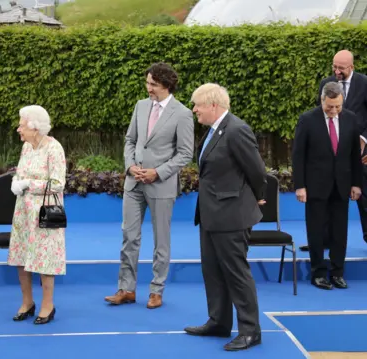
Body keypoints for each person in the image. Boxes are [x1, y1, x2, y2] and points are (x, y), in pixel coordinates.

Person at [104, 62, 194, 309]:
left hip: (161, 185)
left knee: (161, 241)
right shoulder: (141, 106)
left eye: (153, 84)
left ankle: (157, 290)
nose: (148, 88)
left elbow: (185, 153)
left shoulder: (183, 113)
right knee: (129, 236)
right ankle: (126, 288)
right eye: (147, 83)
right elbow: (130, 140)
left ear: (166, 85)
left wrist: (158, 172)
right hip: (133, 184)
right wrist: (130, 166)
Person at [184, 83, 265, 351]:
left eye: (197, 104)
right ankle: (219, 321)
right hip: (210, 214)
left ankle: (250, 331)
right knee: (213, 270)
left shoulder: (236, 130)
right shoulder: (212, 131)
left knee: (236, 273)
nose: (194, 109)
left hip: (231, 216)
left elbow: (256, 171)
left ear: (213, 105)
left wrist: (254, 198)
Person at [292, 81, 362, 290]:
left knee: (340, 231)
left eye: (337, 107)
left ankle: (338, 272)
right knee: (316, 230)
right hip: (315, 185)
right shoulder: (307, 119)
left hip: (342, 185)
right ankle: (318, 273)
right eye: (329, 106)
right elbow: (298, 155)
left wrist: (357, 184)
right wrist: (300, 186)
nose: (333, 111)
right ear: (322, 100)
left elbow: (354, 156)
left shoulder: (351, 119)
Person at [7, 105, 67, 325]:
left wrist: (28, 183)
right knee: (21, 256)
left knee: (44, 258)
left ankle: (47, 305)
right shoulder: (26, 147)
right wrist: (16, 181)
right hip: (23, 210)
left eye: (21, 125)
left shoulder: (54, 148)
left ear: (34, 127)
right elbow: (22, 172)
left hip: (45, 212)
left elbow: (58, 183)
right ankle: (27, 302)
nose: (18, 129)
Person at [313, 50, 367, 249]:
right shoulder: (326, 84)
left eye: (341, 68)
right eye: (334, 66)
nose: (337, 71)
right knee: (330, 195)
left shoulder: (364, 83)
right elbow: (320, 114)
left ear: (351, 67)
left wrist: (363, 139)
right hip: (334, 152)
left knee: (365, 197)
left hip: (361, 150)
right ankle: (326, 239)